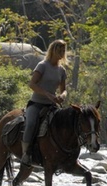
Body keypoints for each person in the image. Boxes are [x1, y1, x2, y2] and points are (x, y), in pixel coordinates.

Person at [22, 39, 68, 167]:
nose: (61, 53)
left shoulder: (62, 70)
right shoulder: (42, 65)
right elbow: (32, 84)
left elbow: (63, 90)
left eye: (63, 50)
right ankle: (26, 154)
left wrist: (62, 96)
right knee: (31, 124)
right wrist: (47, 94)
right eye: (59, 50)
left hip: (52, 106)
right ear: (52, 50)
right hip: (36, 103)